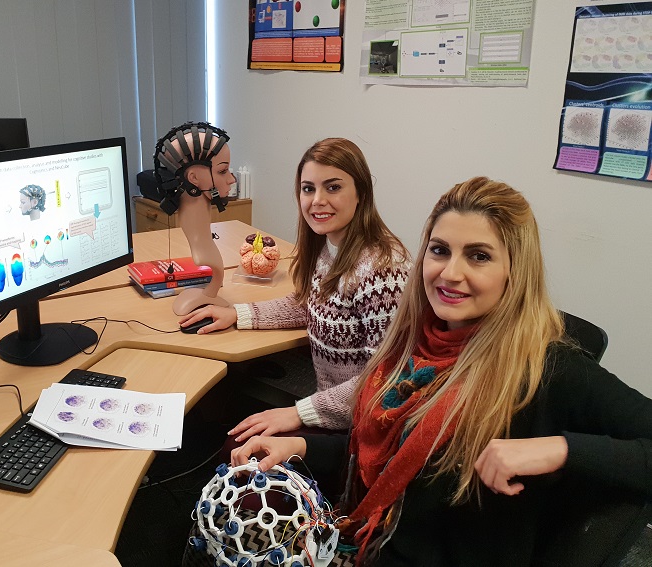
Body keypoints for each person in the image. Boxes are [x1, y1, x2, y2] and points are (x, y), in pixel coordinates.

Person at [230, 176, 652, 566]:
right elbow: (389, 460)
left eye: (479, 256)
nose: (451, 273)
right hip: (369, 537)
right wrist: (300, 447)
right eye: (440, 250)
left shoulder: (547, 368)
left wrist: (559, 449)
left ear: (515, 272)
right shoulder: (418, 343)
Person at [180, 138, 410, 435]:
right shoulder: (331, 248)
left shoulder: (383, 273)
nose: (317, 201)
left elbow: (383, 380)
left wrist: (300, 413)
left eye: (334, 187)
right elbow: (309, 304)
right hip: (330, 405)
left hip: (360, 429)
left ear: (361, 193)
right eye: (308, 188)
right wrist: (238, 314)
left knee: (234, 438)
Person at [154, 122, 236, 315]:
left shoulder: (204, 245)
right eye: (223, 171)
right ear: (194, 178)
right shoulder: (205, 254)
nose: (232, 179)